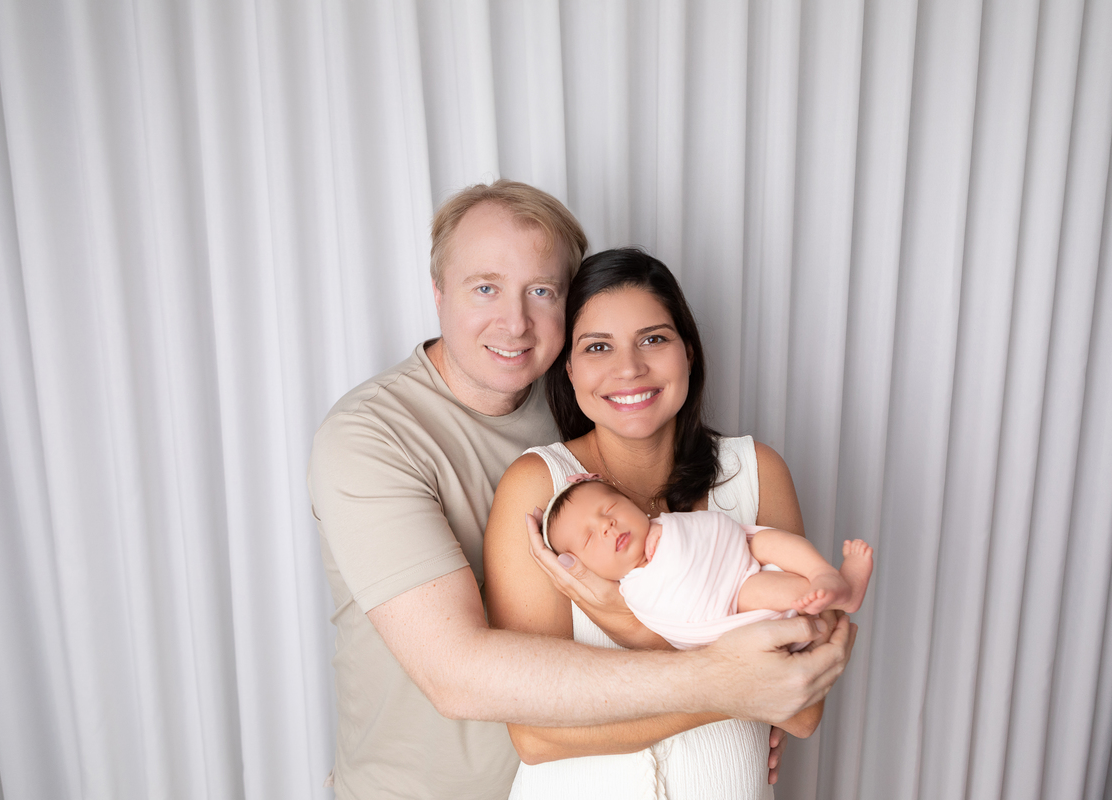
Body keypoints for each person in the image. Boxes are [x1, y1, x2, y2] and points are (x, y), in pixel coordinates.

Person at [309, 184, 856, 800]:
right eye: (485, 287)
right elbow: (463, 679)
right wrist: (740, 690)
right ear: (437, 291)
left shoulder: (594, 405)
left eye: (541, 291)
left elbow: (800, 697)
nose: (515, 322)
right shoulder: (372, 439)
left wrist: (767, 690)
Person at [483, 247, 847, 798]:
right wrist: (740, 690)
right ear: (570, 369)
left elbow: (802, 710)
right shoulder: (538, 489)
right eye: (597, 346)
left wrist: (632, 630)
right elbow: (535, 735)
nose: (629, 368)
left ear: (689, 352)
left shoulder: (756, 473)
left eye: (653, 339)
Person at [542, 475, 873, 649]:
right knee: (768, 591)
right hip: (733, 595)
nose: (606, 525)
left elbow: (713, 530)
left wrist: (667, 535)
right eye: (589, 538)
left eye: (609, 509)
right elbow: (680, 618)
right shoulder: (635, 590)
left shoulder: (665, 523)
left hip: (741, 550)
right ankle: (838, 596)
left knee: (769, 541)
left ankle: (825, 574)